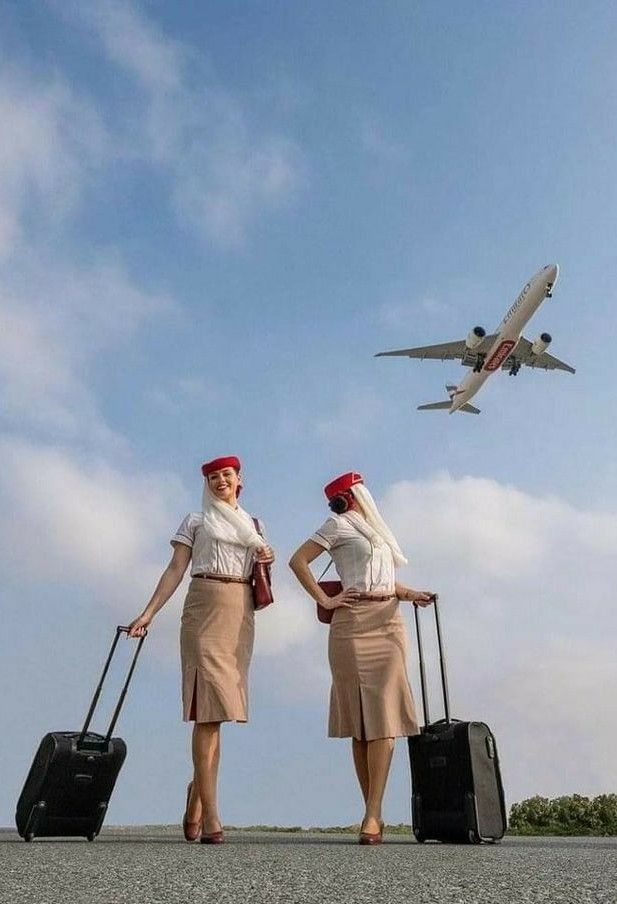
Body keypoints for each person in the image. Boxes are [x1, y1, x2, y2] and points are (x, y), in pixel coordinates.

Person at [128, 455, 274, 844]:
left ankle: (197, 793)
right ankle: (212, 813)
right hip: (203, 606)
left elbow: (259, 572)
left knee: (221, 711)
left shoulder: (255, 525)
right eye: (213, 477)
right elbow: (175, 568)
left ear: (239, 479)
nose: (220, 481)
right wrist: (148, 613)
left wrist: (265, 555)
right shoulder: (196, 521)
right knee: (205, 712)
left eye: (226, 474)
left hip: (240, 610)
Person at [288, 471, 435, 845]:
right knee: (359, 721)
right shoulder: (336, 525)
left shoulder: (379, 531)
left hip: (387, 621)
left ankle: (373, 813)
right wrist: (325, 600)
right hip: (350, 623)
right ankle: (371, 810)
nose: (345, 500)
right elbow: (297, 561)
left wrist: (410, 593)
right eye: (338, 496)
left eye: (347, 494)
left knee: (384, 717)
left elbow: (382, 579)